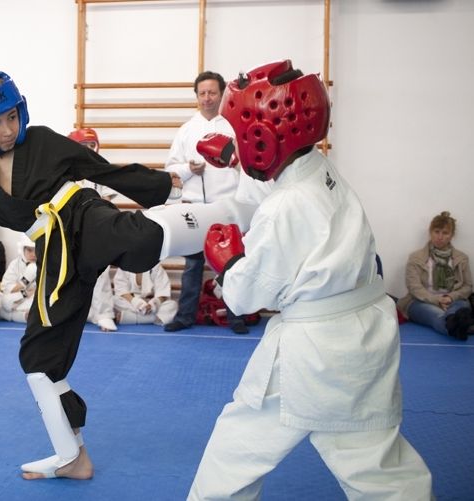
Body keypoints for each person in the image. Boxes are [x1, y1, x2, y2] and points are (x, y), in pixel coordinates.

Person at [0, 68, 240, 481]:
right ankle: (71, 456)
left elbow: (103, 172)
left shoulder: (40, 139)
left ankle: (237, 216)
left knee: (136, 239)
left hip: (82, 216)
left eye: (11, 117)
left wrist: (170, 181)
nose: (7, 130)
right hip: (55, 253)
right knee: (38, 357)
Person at [189, 60, 432, 500]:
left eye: (245, 134)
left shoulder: (285, 209)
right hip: (359, 331)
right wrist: (233, 157)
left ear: (264, 137)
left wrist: (226, 263)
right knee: (376, 464)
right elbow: (280, 184)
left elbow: (245, 296)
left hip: (313, 352)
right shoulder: (320, 167)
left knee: (237, 447)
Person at [162, 71, 243, 334]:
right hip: (195, 208)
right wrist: (188, 168)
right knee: (193, 266)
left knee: (232, 266)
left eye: (212, 93)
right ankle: (185, 317)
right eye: (202, 93)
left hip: (227, 207)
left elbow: (249, 166)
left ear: (221, 94)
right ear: (196, 96)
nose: (207, 98)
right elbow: (170, 168)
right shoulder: (187, 130)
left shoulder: (233, 128)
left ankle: (236, 317)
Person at [68, 128, 118, 332]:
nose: (89, 150)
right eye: (84, 146)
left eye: (92, 145)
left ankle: (104, 314)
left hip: (95, 229)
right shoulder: (65, 172)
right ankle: (73, 315)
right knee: (70, 276)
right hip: (70, 230)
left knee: (101, 274)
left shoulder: (101, 169)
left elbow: (107, 199)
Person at [397, 211, 472, 340]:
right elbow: (414, 288)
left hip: (453, 301)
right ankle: (457, 326)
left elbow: (467, 286)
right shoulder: (416, 258)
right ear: (430, 232)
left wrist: (450, 297)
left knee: (461, 307)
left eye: (445, 233)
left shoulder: (461, 258)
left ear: (452, 235)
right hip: (420, 302)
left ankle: (455, 323)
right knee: (436, 316)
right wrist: (436, 300)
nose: (440, 237)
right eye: (436, 232)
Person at [113, 263, 177, 325]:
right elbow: (122, 291)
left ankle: (130, 318)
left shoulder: (156, 267)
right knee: (113, 300)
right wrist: (136, 303)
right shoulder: (124, 266)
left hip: (150, 303)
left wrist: (153, 304)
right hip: (131, 303)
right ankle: (155, 318)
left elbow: (162, 292)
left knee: (172, 305)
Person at [0, 234, 37, 323]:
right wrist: (25, 282)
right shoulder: (15, 264)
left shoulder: (45, 263)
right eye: (30, 250)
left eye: (36, 250)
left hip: (34, 299)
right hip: (20, 297)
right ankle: (26, 316)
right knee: (4, 302)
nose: (33, 254)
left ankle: (24, 316)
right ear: (23, 250)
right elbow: (6, 288)